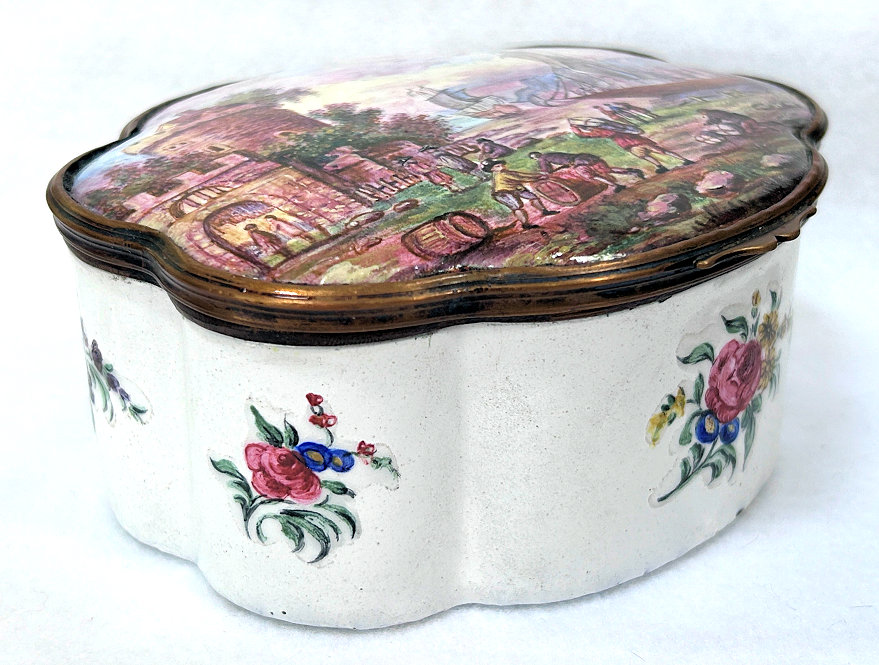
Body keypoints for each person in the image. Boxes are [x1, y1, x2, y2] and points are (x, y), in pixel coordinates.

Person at [568, 118, 693, 174]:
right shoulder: (608, 127)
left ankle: (682, 161)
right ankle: (665, 165)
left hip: (629, 141)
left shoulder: (603, 130)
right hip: (630, 141)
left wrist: (575, 129)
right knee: (648, 154)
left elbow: (584, 135)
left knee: (656, 152)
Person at [483, 159, 558, 229]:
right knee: (517, 207)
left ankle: (544, 211)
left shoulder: (507, 172)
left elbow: (521, 174)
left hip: (514, 189)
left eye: (502, 165)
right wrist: (536, 178)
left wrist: (538, 175)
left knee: (533, 197)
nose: (502, 167)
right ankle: (525, 224)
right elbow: (520, 178)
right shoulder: (501, 174)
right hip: (502, 193)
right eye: (497, 166)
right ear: (492, 169)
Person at [529, 150, 645, 192]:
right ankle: (632, 172)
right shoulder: (549, 154)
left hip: (578, 163)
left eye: (535, 158)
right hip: (584, 156)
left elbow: (547, 170)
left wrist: (543, 174)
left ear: (536, 157)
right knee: (607, 169)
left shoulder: (542, 159)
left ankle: (616, 185)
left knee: (590, 176)